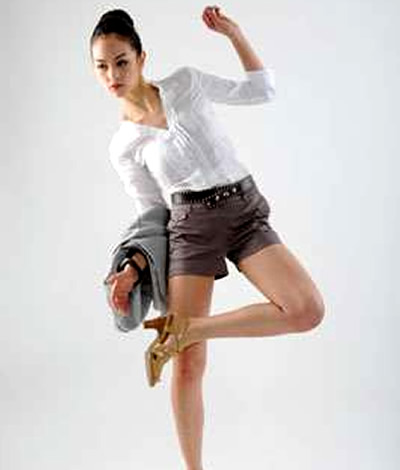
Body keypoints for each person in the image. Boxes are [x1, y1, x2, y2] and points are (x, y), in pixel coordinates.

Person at [90, 5, 325, 469]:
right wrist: (132, 268)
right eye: (101, 66)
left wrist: (234, 34)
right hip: (190, 227)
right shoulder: (124, 146)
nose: (113, 75)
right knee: (189, 364)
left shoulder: (186, 82)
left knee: (306, 310)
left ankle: (190, 329)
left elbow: (262, 89)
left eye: (121, 61)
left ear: (141, 57)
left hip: (244, 210)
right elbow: (152, 214)